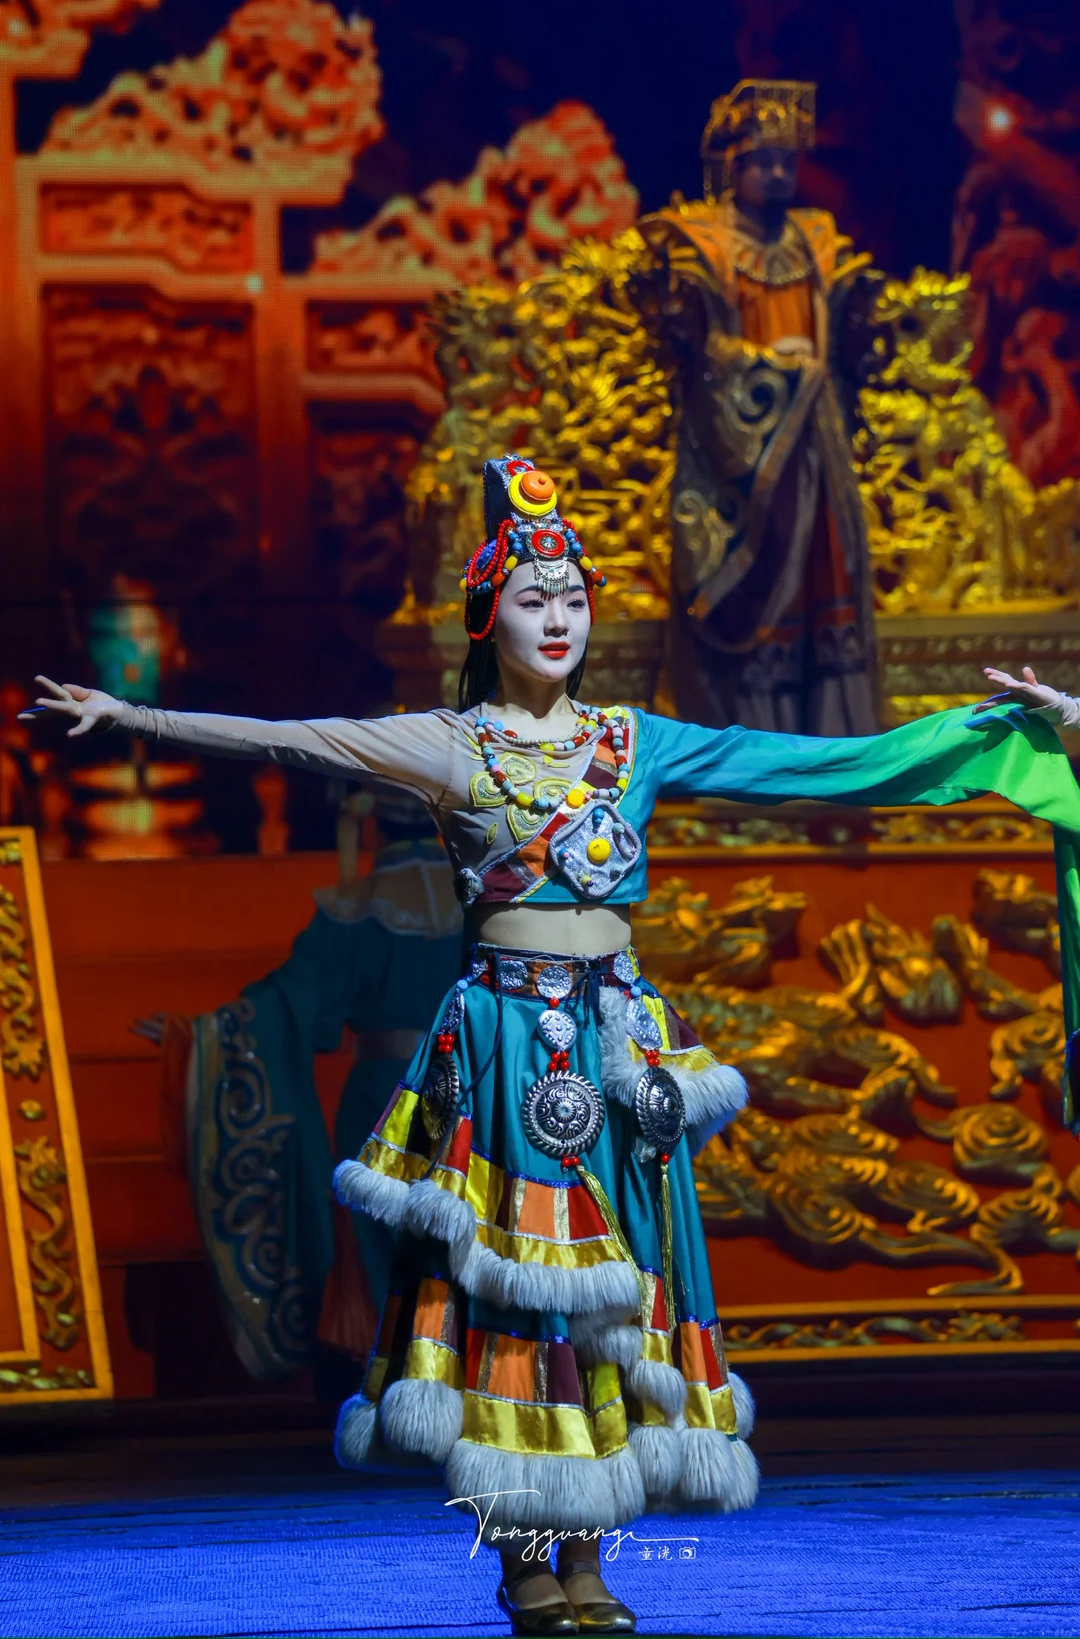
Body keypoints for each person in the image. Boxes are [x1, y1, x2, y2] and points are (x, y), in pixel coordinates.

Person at [22, 459, 1080, 1639]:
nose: (560, 618)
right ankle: (526, 1557)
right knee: (520, 1298)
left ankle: (589, 1552)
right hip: (510, 1041)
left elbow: (813, 765)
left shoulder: (637, 741)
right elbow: (295, 742)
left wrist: (1004, 732)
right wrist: (135, 717)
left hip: (621, 1041)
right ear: (492, 619)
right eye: (535, 600)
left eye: (573, 598)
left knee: (618, 1296)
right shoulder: (451, 745)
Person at [135, 782, 462, 1382]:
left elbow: (291, 1006)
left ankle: (393, 1381)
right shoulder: (481, 908)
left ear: (372, 824)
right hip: (469, 1094)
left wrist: (199, 1034)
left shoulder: (353, 912)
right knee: (465, 1229)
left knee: (379, 1234)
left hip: (382, 1096)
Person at [631, 78, 883, 736]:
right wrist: (777, 371)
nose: (777, 174)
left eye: (787, 161)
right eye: (762, 161)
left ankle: (833, 739)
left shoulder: (815, 240)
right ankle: (748, 735)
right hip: (741, 445)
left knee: (827, 566)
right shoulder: (705, 245)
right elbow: (697, 352)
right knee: (757, 571)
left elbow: (848, 338)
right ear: (732, 167)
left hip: (813, 436)